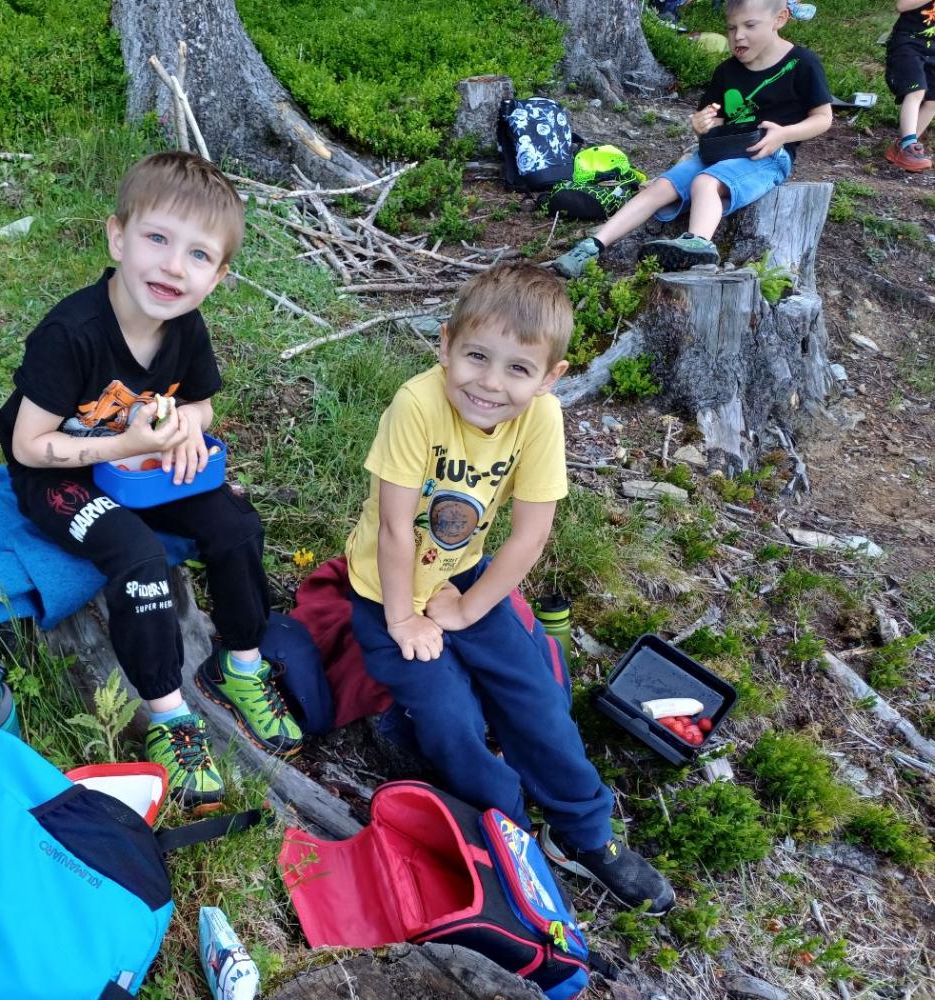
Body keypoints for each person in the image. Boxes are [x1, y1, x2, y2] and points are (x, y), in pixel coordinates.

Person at [345, 263, 674, 912]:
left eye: (518, 369)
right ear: (445, 344)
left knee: (537, 698)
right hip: (385, 590)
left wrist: (469, 607)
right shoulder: (417, 403)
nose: (490, 383)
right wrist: (405, 618)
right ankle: (511, 835)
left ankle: (583, 832)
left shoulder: (540, 416)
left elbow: (529, 534)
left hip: (464, 573)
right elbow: (393, 527)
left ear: (550, 376)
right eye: (476, 357)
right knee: (452, 719)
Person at [0, 151, 302, 809]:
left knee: (234, 525)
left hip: (139, 467)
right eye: (157, 238)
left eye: (198, 255)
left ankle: (241, 665)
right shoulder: (70, 334)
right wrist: (129, 442)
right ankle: (169, 714)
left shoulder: (184, 327)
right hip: (56, 472)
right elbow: (27, 443)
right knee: (138, 557)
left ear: (218, 276)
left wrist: (188, 423)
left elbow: (200, 402)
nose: (173, 266)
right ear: (118, 237)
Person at [551, 0, 832, 276]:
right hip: (722, 149)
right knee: (659, 188)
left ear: (780, 19)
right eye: (731, 28)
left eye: (750, 25)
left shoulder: (802, 64)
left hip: (766, 155)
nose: (738, 36)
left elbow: (823, 117)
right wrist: (702, 124)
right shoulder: (726, 71)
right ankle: (592, 246)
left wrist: (784, 134)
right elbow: (715, 121)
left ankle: (698, 245)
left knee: (704, 183)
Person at [883, 0, 935, 171]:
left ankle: (905, 147)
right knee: (917, 90)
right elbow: (901, 5)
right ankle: (908, 145)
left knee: (933, 101)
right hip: (909, 43)